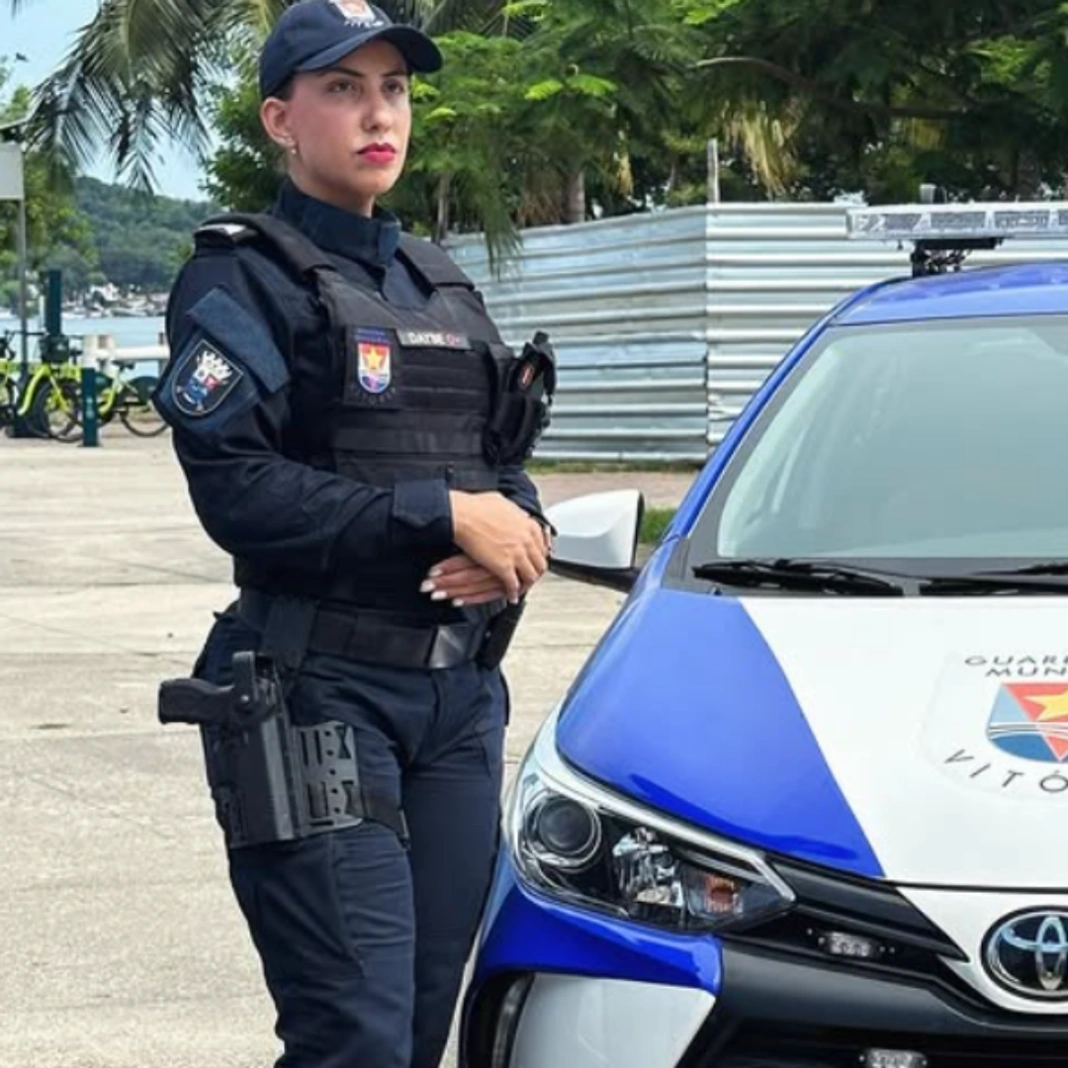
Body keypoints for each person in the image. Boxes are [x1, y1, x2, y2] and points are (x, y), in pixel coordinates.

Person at [152, 1, 555, 1065]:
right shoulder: (241, 279)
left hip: (457, 703)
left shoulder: (441, 286)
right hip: (312, 696)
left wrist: (516, 530)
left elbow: (498, 463)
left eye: (395, 89)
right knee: (357, 1038)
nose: (378, 113)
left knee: (424, 1028)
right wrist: (435, 515)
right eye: (343, 89)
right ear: (283, 120)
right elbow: (238, 491)